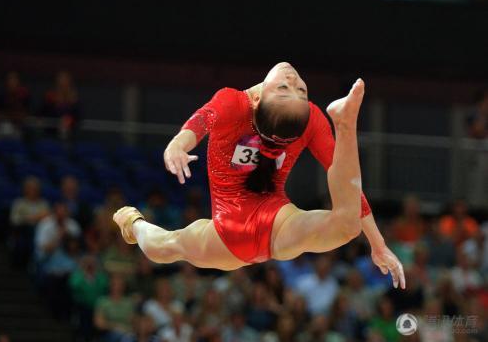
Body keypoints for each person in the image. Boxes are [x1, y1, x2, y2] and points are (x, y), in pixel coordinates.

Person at [113, 63, 405, 289]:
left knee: (347, 225)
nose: (293, 82)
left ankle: (345, 125)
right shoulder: (233, 103)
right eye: (290, 90)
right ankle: (133, 222)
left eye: (298, 91)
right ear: (258, 100)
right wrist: (178, 144)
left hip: (274, 221)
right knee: (158, 247)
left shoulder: (310, 118)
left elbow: (347, 185)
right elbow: (202, 121)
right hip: (232, 233)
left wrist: (378, 244)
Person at [0, 71, 30, 140]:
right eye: (10, 79)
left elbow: (24, 113)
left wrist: (15, 117)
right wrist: (7, 116)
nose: (12, 82)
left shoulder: (24, 94)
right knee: (3, 128)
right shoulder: (1, 94)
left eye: (14, 79)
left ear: (18, 81)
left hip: (17, 126)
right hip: (3, 125)